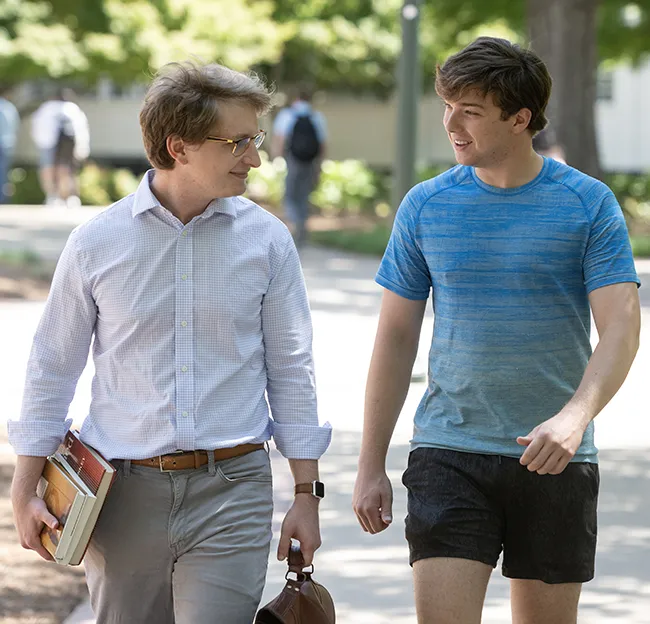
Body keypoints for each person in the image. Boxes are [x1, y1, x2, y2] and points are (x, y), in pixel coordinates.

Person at [10, 61, 332, 624]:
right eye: (236, 142)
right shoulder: (96, 242)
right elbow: (51, 367)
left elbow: (292, 369)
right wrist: (25, 485)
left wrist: (307, 494)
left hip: (232, 490)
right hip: (122, 496)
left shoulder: (268, 242)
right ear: (177, 145)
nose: (255, 158)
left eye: (254, 140)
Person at [353, 36, 640, 624]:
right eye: (447, 106)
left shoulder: (588, 205)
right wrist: (369, 464)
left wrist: (574, 417)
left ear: (520, 118)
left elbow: (622, 327)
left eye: (471, 111)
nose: (451, 124)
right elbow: (395, 338)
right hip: (448, 452)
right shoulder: (426, 205)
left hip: (556, 456)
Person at [272, 88, 327, 247]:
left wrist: (277, 157)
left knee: (290, 194)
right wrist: (320, 163)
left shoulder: (287, 115)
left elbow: (280, 139)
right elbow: (323, 143)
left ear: (296, 99)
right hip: (310, 161)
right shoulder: (316, 117)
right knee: (304, 195)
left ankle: (294, 225)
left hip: (293, 160)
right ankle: (302, 228)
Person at [30, 88, 90, 207]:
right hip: (64, 145)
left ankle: (55, 195)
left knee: (51, 170)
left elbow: (37, 127)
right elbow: (81, 130)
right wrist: (83, 148)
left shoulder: (47, 108)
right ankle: (64, 196)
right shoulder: (72, 110)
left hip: (50, 144)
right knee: (65, 171)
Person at [0, 91, 20, 203]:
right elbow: (15, 126)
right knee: (3, 172)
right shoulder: (10, 107)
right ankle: (3, 198)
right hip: (7, 143)